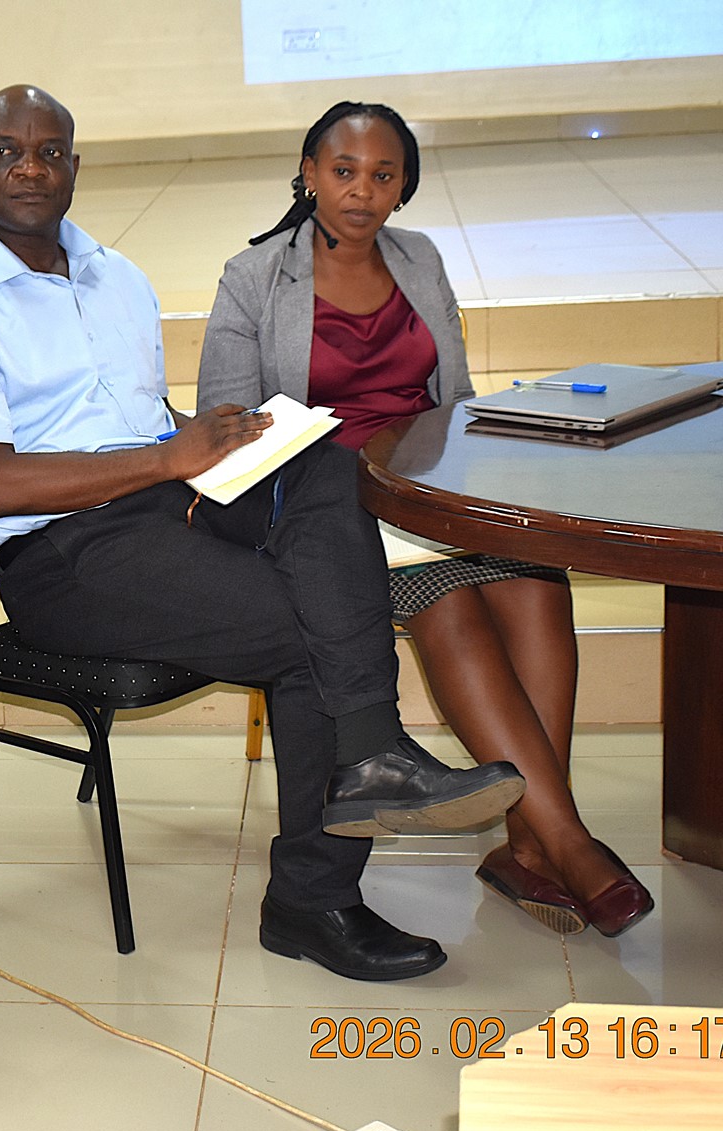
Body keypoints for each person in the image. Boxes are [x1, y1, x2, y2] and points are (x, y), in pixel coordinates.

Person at [0, 85, 528, 983]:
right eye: (6, 152)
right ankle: (319, 886)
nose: (30, 168)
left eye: (49, 152)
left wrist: (223, 447)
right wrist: (166, 462)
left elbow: (147, 426)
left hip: (163, 505)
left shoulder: (117, 277)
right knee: (318, 627)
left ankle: (370, 761)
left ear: (76, 165)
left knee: (323, 463)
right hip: (59, 557)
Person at [197, 100, 654, 939]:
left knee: (536, 582)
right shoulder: (254, 276)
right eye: (342, 171)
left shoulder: (420, 259)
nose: (361, 192)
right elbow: (222, 425)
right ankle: (569, 842)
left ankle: (527, 839)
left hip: (430, 490)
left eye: (383, 175)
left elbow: (458, 400)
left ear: (404, 187)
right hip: (328, 508)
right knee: (451, 603)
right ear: (306, 173)